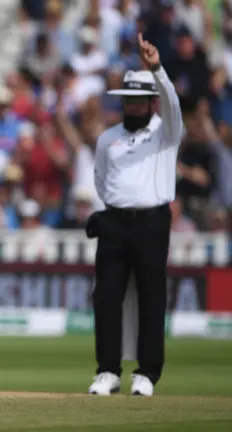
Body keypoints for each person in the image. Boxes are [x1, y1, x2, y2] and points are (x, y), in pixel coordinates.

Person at [88, 33, 183, 397]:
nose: (132, 107)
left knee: (151, 296)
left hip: (152, 223)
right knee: (107, 296)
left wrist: (156, 67)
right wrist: (114, 208)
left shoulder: (166, 132)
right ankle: (108, 371)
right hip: (114, 223)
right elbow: (100, 178)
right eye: (127, 100)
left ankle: (147, 373)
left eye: (139, 101)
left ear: (151, 103)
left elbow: (173, 103)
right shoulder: (108, 137)